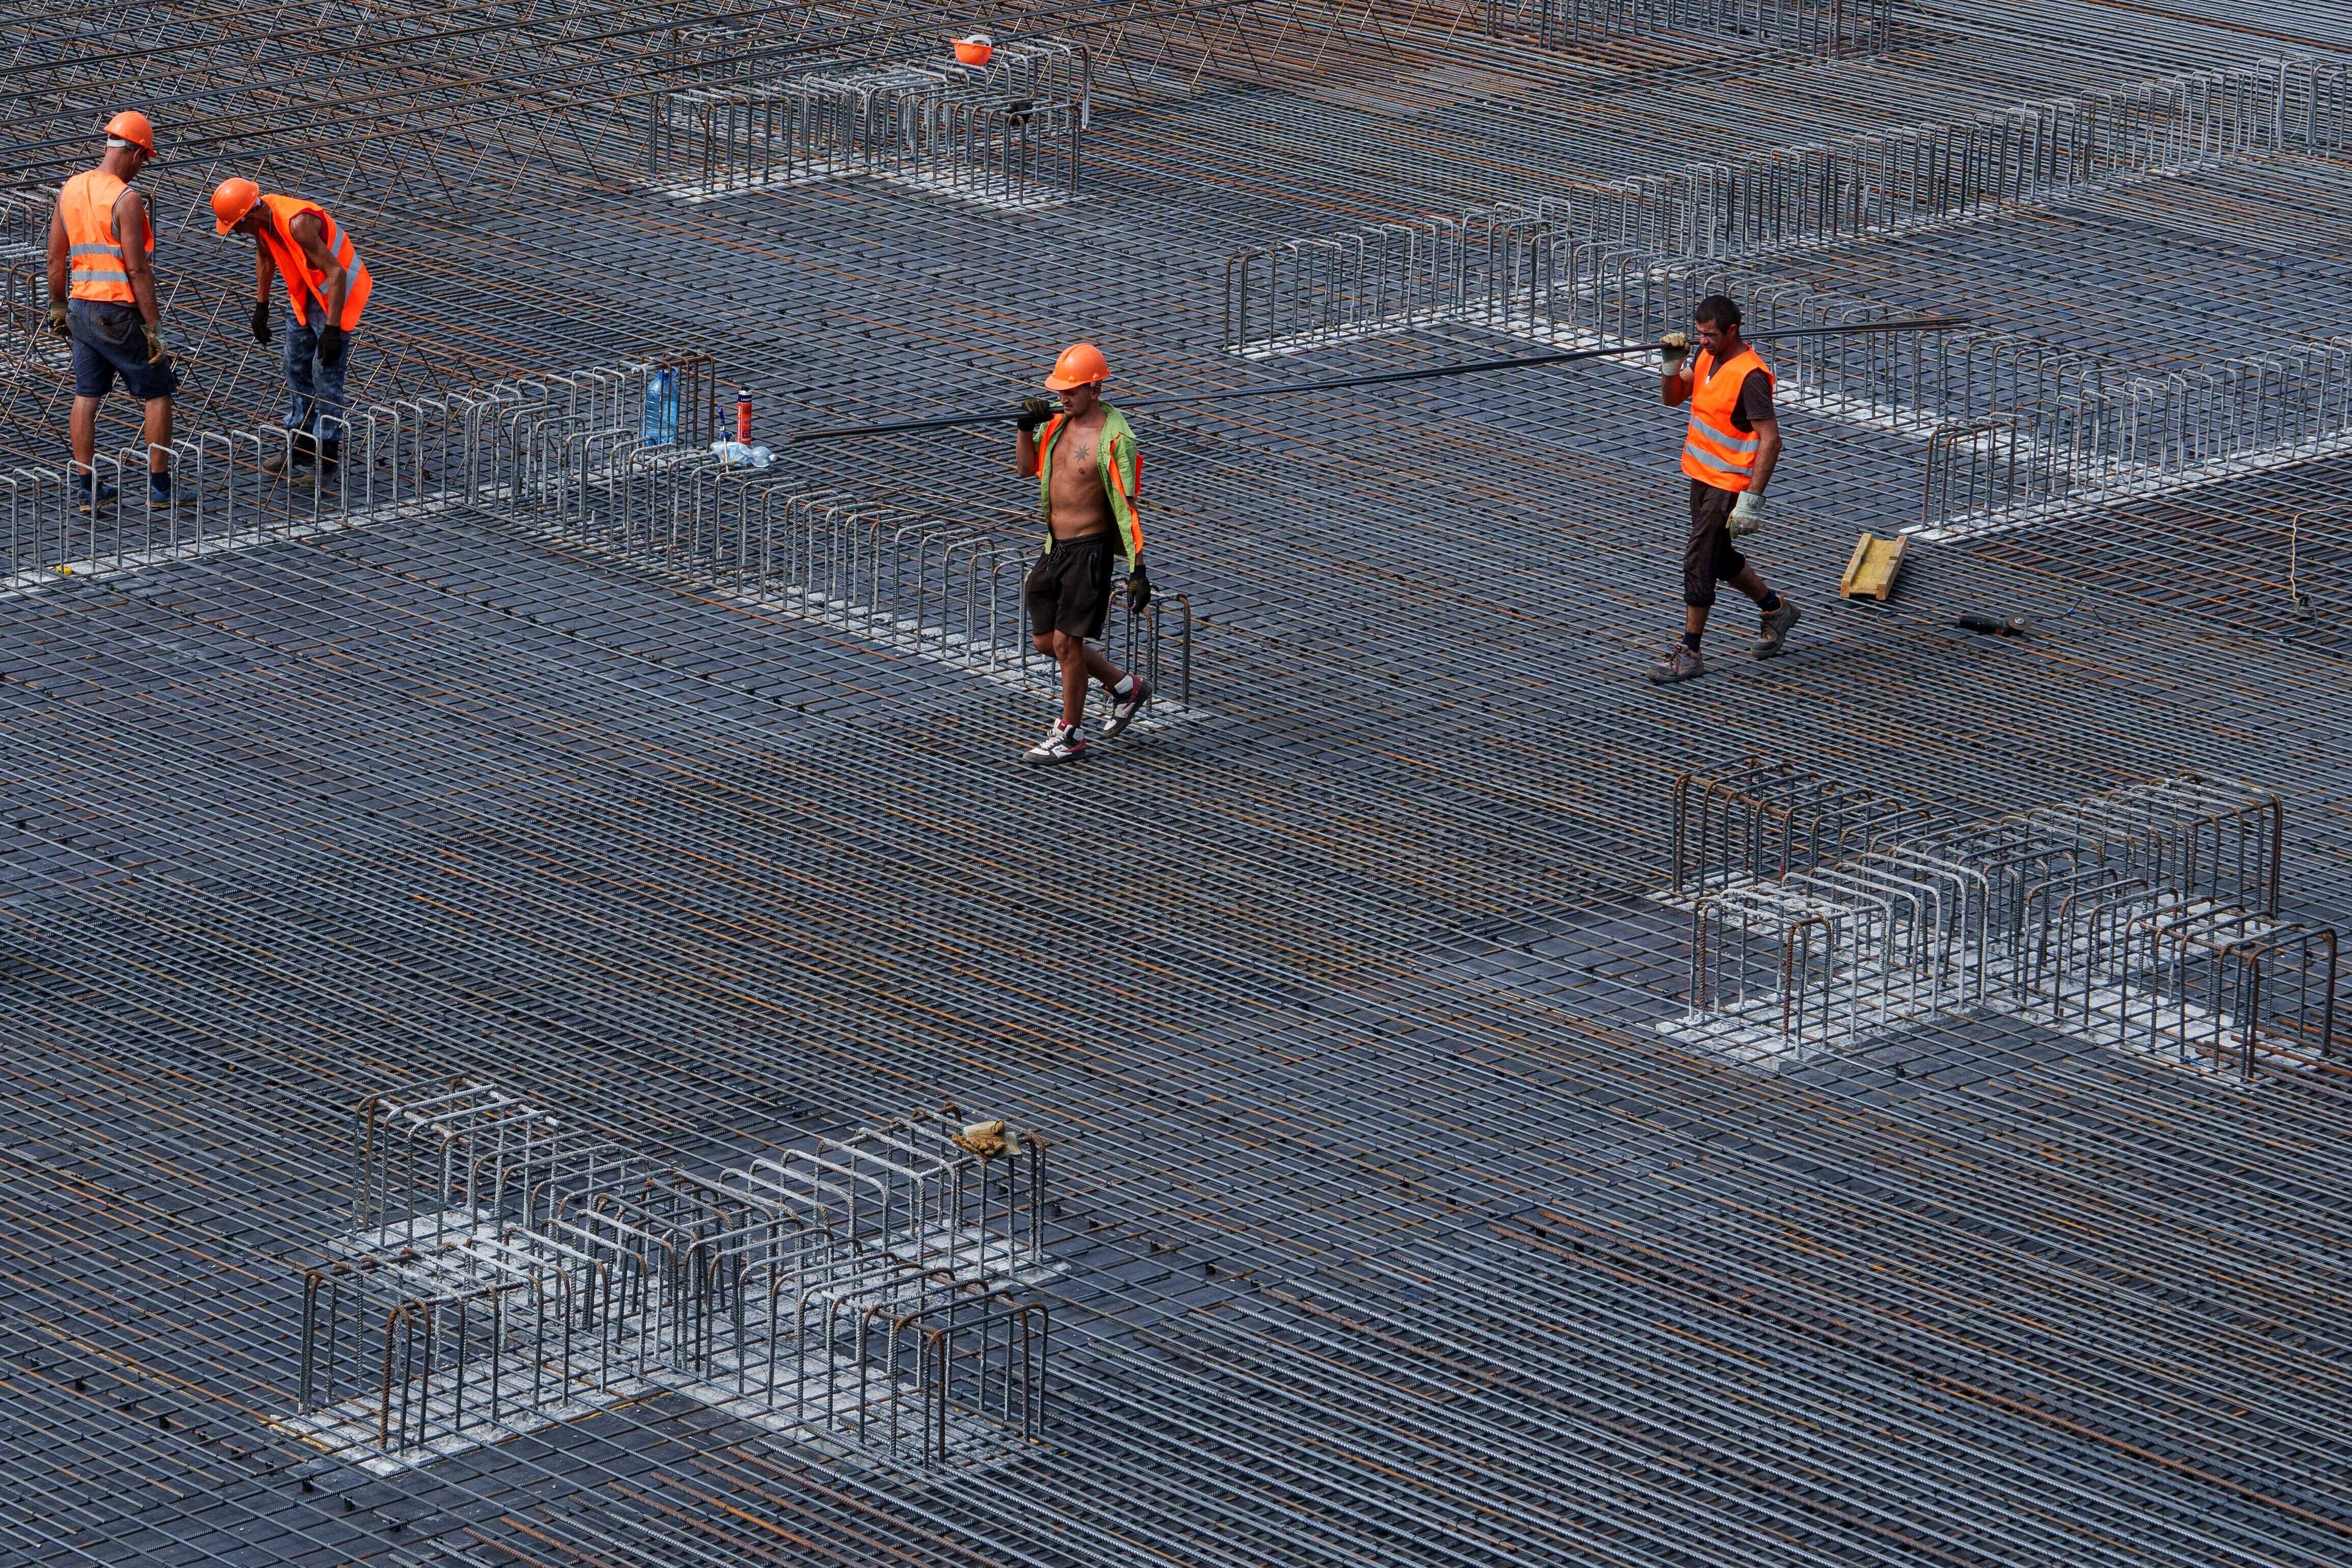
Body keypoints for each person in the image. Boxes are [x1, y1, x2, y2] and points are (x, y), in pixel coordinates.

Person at [1012, 342, 1153, 765]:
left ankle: (1069, 734)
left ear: (1096, 389)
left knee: (1066, 643)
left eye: (1071, 391)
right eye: (1060, 391)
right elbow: (1024, 469)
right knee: (1045, 642)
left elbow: (1128, 510)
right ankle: (1126, 687)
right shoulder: (1055, 425)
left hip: (1089, 553)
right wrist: (1023, 428)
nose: (1062, 398)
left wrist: (1137, 569)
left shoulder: (1115, 440)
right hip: (1055, 547)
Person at [1650, 295, 1800, 684]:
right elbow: (1673, 399)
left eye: (1710, 335)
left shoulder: (1751, 376)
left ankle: (1690, 650)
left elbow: (1771, 439)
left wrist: (1752, 500)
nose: (1703, 341)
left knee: (1699, 559)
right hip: (1702, 476)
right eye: (1699, 334)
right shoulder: (1704, 358)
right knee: (1717, 556)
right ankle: (1774, 608)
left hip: (1730, 484)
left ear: (1732, 331)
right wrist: (1671, 367)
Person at [47, 111, 175, 513]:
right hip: (117, 312)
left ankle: (87, 490)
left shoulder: (71, 188)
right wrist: (154, 329)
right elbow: (137, 269)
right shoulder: (126, 198)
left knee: (86, 396)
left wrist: (57, 308)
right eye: (144, 160)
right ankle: (160, 489)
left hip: (81, 308)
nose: (141, 168)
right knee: (157, 391)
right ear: (135, 152)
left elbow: (55, 259)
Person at [209, 178, 374, 477]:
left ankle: (328, 454)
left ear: (251, 214)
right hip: (306, 292)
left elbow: (335, 272)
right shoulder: (262, 223)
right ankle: (301, 446)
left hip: (336, 294)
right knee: (295, 366)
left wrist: (332, 330)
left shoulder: (298, 224)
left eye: (236, 225)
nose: (235, 231)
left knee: (325, 374)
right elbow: (265, 258)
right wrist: (261, 306)